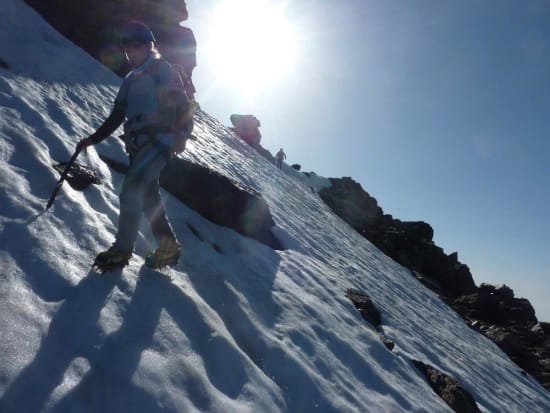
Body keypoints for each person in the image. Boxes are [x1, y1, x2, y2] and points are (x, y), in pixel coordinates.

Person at [77, 21, 190, 270]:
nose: (130, 52)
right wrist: (93, 139)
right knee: (149, 194)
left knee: (132, 188)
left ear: (150, 46)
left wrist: (182, 133)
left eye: (136, 46)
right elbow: (117, 115)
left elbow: (181, 104)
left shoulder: (162, 69)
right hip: (139, 144)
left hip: (159, 140)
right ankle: (167, 249)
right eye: (127, 48)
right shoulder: (130, 79)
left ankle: (121, 250)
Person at [150, 0, 197, 99]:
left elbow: (190, 59)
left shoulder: (186, 33)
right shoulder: (157, 29)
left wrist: (185, 75)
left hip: (179, 79)